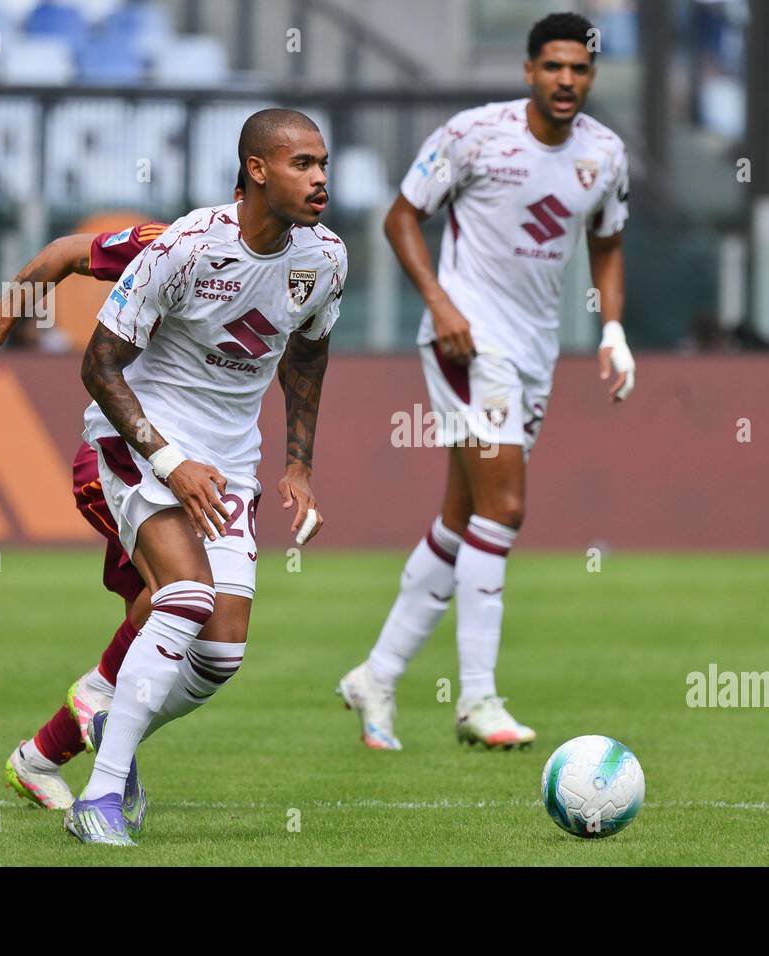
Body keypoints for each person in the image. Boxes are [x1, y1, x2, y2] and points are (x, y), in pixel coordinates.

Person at [337, 12, 635, 751]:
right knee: (504, 507)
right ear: (529, 71)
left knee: (461, 518)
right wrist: (439, 305)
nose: (567, 80)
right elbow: (401, 217)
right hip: (467, 343)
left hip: (535, 353)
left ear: (590, 78)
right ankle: (478, 700)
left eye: (581, 69)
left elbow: (608, 243)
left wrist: (613, 331)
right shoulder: (474, 134)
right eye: (554, 66)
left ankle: (376, 675)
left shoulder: (604, 153)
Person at [0, 175, 246, 810]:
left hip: (199, 459)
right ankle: (102, 708)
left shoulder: (295, 263)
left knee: (176, 611)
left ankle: (39, 757)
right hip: (126, 455)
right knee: (179, 596)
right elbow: (64, 253)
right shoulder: (174, 244)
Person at [67, 108, 345, 844]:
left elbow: (308, 356)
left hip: (228, 466)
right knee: (185, 594)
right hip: (140, 440)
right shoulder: (185, 247)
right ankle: (95, 802)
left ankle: (113, 733)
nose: (320, 178)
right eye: (302, 165)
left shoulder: (325, 261)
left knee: (221, 653)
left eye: (323, 164)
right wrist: (169, 460)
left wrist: (298, 465)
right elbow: (99, 365)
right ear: (258, 169)